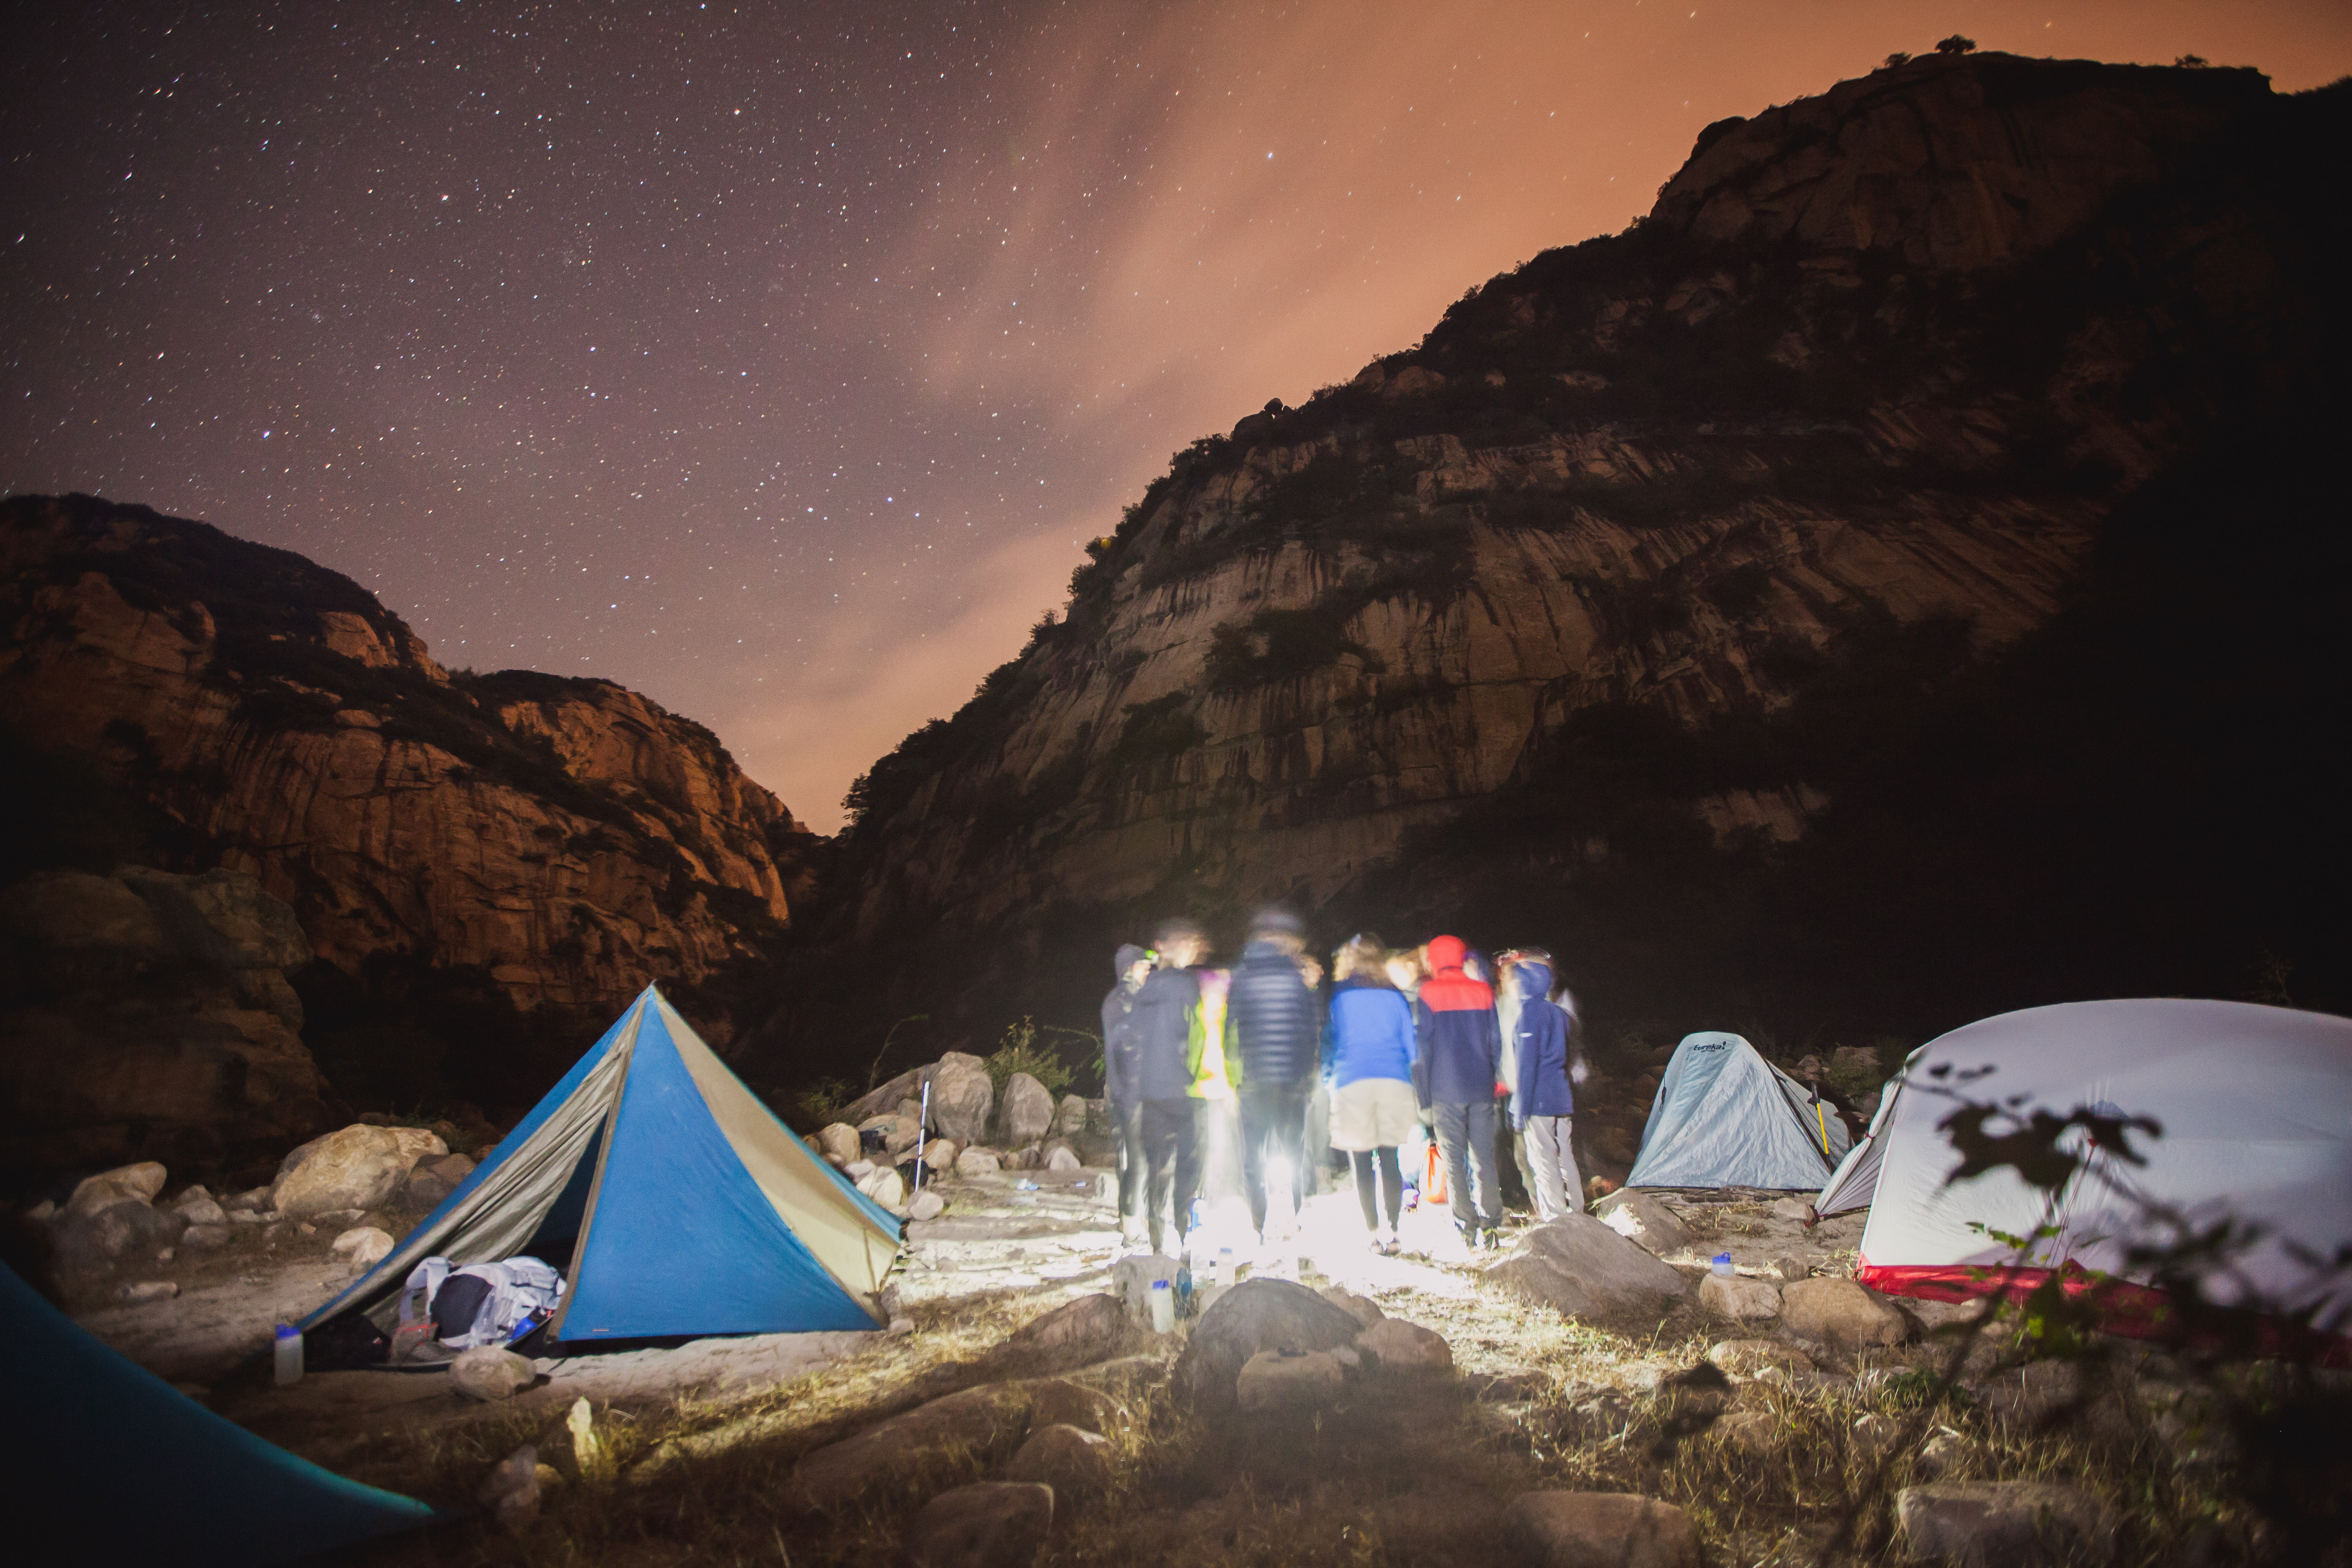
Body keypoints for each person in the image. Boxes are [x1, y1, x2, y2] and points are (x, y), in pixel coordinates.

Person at [1225, 907, 1320, 1249]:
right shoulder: (1296, 978)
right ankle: (1291, 1218)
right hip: (1291, 1085)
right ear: (1281, 939)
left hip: (1253, 1085)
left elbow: (1230, 1032)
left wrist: (1235, 1078)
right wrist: (1308, 1076)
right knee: (1293, 1152)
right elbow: (1310, 1032)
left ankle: (1259, 1223)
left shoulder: (1242, 976)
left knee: (1254, 1156)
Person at [1322, 934, 1417, 1254]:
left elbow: (1331, 1040)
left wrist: (1327, 1078)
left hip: (1353, 1082)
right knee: (1390, 1160)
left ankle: (1373, 1234)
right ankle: (1393, 1231)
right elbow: (1411, 1042)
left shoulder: (1340, 995)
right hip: (1393, 1080)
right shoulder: (1394, 994)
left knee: (1361, 1163)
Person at [1413, 934, 1503, 1250]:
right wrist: (1494, 1079)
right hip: (1481, 1088)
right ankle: (1492, 1225)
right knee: (1485, 1159)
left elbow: (1422, 1051)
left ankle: (1467, 1229)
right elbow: (1495, 1042)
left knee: (1454, 1160)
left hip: (1444, 1090)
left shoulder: (1428, 993)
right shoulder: (1483, 991)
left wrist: (1424, 1096)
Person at [1129, 918, 1209, 1256]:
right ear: (1181, 946)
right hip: (1182, 1090)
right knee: (1189, 1162)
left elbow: (1132, 1039)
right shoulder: (1188, 986)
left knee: (1157, 1165)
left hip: (1150, 1091)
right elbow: (1199, 1036)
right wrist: (1194, 1075)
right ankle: (1185, 1231)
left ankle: (1157, 1238)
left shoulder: (1144, 989)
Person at [1506, 952, 1583, 1221]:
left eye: (1517, 980)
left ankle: (1555, 1218)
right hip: (1562, 1096)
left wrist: (1519, 1111)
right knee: (1566, 1156)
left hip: (1539, 1099)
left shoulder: (1529, 1016)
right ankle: (1577, 1209)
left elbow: (1527, 1068)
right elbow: (1570, 1055)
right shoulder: (1561, 1015)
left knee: (1544, 1160)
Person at [1100, 942, 1153, 1247]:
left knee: (1144, 1161)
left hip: (1143, 1094)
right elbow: (1118, 1053)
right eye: (1143, 966)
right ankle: (1131, 1229)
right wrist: (1123, 1095)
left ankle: (1136, 1218)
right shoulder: (1117, 1002)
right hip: (1127, 1098)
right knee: (1135, 1164)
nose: (1148, 970)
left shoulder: (1138, 999)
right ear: (1129, 968)